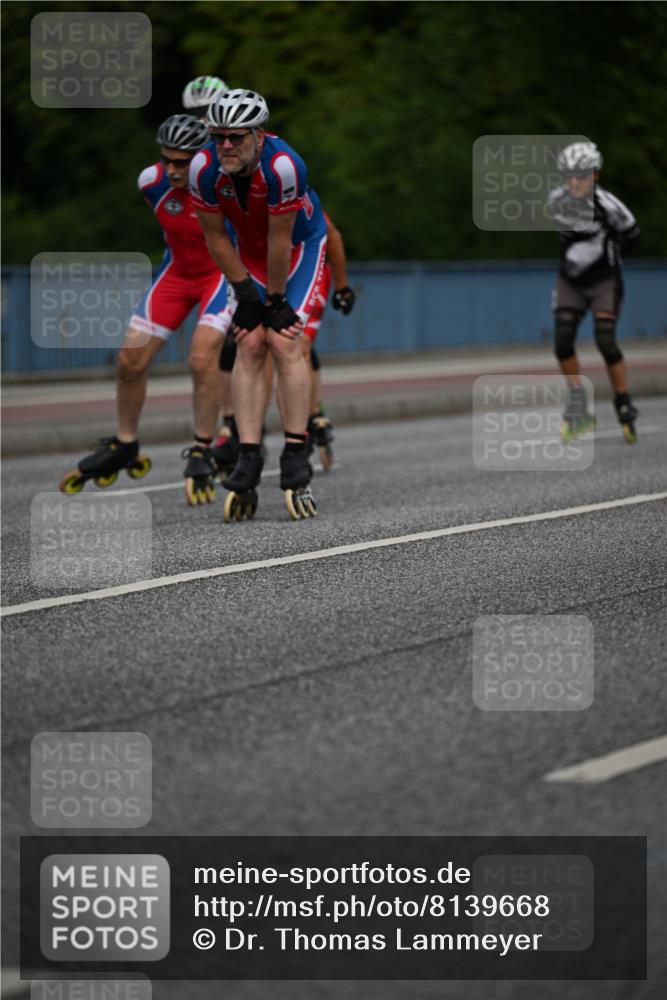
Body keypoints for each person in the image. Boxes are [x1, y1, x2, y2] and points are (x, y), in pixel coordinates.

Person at [59, 115, 233, 501]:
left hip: (220, 276)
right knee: (129, 360)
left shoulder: (223, 185)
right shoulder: (150, 183)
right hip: (177, 274)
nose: (171, 170)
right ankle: (125, 443)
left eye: (181, 162)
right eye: (166, 159)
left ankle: (204, 446)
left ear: (202, 156)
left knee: (202, 359)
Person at [190, 88, 329, 520]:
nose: (226, 146)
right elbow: (215, 237)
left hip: (299, 249)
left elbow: (280, 239)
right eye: (218, 137)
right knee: (248, 344)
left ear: (259, 133)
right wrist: (245, 293)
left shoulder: (284, 166)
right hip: (246, 253)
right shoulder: (203, 168)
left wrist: (273, 300)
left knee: (285, 342)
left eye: (236, 137)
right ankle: (249, 453)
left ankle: (294, 451)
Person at [213, 211, 357, 474]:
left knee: (294, 342)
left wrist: (343, 286)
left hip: (304, 272)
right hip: (262, 273)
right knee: (254, 345)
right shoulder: (234, 195)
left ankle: (311, 416)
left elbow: (332, 235)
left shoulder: (291, 194)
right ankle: (245, 430)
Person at [549, 141, 641, 442]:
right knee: (563, 338)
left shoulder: (608, 204)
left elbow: (633, 233)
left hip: (605, 280)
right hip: (571, 280)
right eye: (570, 176)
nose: (575, 182)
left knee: (605, 340)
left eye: (582, 176)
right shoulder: (555, 202)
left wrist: (614, 251)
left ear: (595, 176)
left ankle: (623, 400)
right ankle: (578, 405)